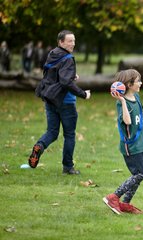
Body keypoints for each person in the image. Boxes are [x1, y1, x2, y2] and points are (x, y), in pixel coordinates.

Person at [28, 30, 91, 174]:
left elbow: (52, 74)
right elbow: (64, 82)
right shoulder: (68, 58)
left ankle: (39, 146)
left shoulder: (52, 54)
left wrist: (71, 75)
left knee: (52, 131)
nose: (73, 44)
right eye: (70, 41)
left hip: (50, 99)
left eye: (74, 41)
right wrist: (83, 94)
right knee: (69, 134)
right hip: (66, 102)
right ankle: (68, 167)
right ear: (61, 42)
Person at [103, 69, 143, 215]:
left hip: (139, 143)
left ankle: (125, 204)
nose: (140, 83)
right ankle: (113, 197)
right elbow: (127, 121)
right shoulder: (122, 103)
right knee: (139, 174)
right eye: (138, 81)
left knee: (140, 174)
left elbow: (139, 115)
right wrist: (122, 101)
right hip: (130, 145)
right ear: (129, 84)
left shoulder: (137, 97)